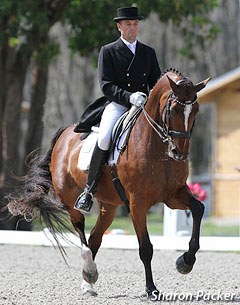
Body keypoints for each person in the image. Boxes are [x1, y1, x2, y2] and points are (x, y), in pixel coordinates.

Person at [74, 6, 161, 213]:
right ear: (119, 26)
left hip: (143, 106)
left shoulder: (148, 52)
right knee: (104, 138)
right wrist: (129, 96)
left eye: (136, 24)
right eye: (129, 24)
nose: (133, 28)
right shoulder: (108, 50)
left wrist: (150, 99)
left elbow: (156, 82)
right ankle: (88, 190)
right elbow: (106, 85)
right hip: (118, 104)